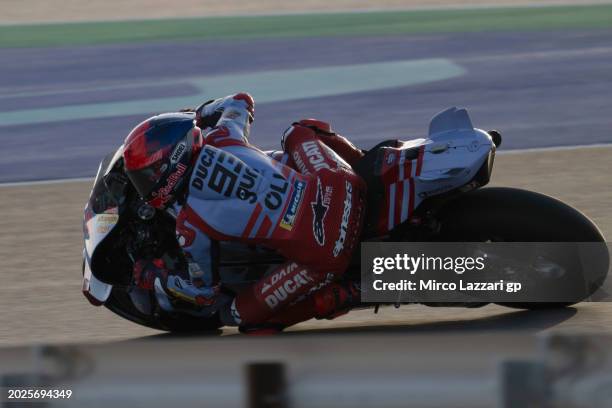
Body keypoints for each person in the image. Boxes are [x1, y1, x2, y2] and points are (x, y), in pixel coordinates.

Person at [122, 92, 366, 332]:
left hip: (324, 250)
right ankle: (365, 163)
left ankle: (350, 292)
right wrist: (199, 114)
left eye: (146, 176)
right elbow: (241, 100)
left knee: (235, 315)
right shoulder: (222, 135)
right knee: (298, 131)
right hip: (340, 186)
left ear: (168, 167)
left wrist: (155, 277)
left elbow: (204, 294)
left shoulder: (189, 224)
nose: (146, 184)